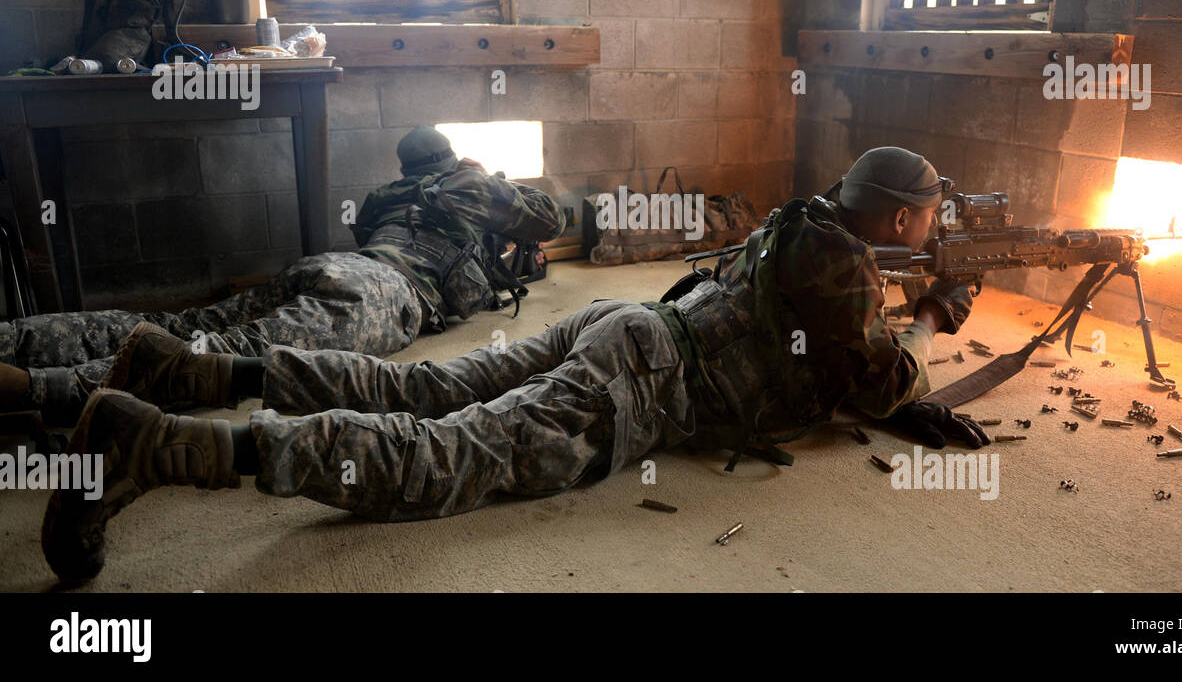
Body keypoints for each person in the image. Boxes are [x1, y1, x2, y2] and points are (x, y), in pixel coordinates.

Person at [42, 147, 984, 581]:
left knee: (423, 384)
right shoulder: (856, 273)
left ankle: (197, 374)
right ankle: (160, 444)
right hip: (643, 381)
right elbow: (892, 381)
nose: (935, 227)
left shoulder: (801, 224)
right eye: (931, 215)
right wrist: (935, 318)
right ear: (899, 220)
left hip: (621, 326)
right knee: (441, 457)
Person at [1, 126, 565, 427]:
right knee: (233, 354)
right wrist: (488, 177)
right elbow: (550, 220)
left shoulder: (384, 196)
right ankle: (48, 390)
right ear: (450, 157)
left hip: (326, 268)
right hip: (384, 291)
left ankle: (16, 339)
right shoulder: (465, 184)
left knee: (178, 322)